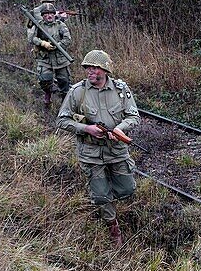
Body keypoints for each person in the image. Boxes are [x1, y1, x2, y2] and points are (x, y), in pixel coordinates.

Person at [56, 50, 140, 246]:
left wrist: (119, 129)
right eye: (87, 68)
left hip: (116, 150)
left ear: (105, 70)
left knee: (127, 189)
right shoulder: (78, 91)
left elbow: (133, 116)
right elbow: (62, 120)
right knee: (101, 195)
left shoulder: (120, 90)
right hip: (91, 153)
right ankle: (113, 226)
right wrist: (87, 129)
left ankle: (107, 195)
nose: (90, 72)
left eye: (94, 68)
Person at [28, 2, 73, 108]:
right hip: (45, 58)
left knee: (64, 82)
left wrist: (58, 45)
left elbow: (67, 39)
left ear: (54, 14)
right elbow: (32, 39)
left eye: (51, 13)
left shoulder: (61, 25)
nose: (49, 16)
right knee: (44, 79)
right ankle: (47, 93)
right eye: (46, 14)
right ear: (43, 16)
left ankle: (64, 104)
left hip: (60, 58)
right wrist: (43, 43)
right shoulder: (39, 25)